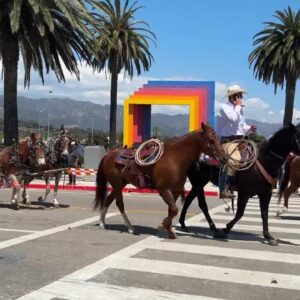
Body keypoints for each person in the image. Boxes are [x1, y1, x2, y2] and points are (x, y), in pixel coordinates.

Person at [217, 84, 256, 199]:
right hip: (228, 141)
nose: (241, 97)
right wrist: (238, 107)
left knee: (252, 159)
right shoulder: (224, 107)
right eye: (239, 95)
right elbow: (233, 118)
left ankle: (243, 185)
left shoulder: (239, 109)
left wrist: (249, 128)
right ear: (233, 97)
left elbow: (241, 126)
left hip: (240, 140)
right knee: (234, 161)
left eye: (241, 95)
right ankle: (223, 189)